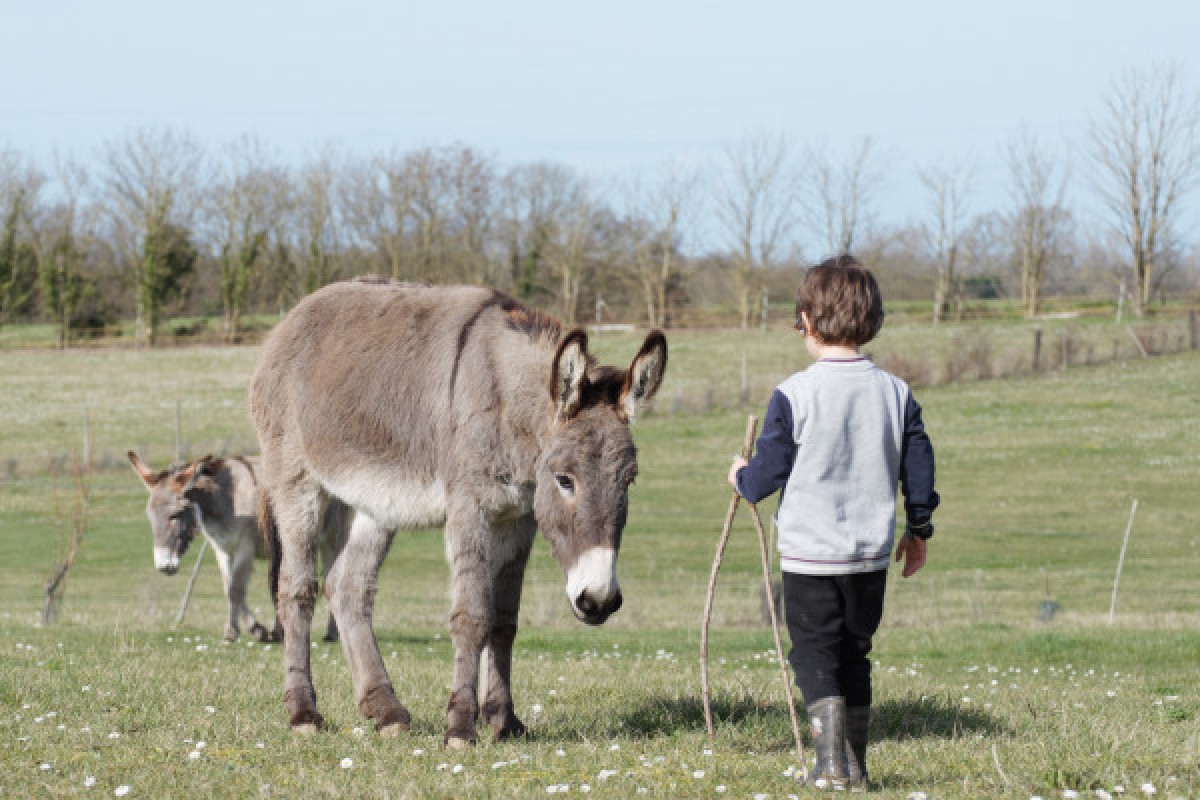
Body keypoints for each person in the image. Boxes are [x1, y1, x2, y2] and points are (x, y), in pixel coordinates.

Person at [727, 255, 939, 790]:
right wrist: (918, 530)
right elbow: (918, 467)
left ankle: (828, 766)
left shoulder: (794, 394)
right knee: (855, 655)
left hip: (809, 556)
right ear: (871, 321)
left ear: (809, 322)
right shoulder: (896, 393)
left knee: (814, 654)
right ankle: (856, 766)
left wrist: (740, 476)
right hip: (869, 556)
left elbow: (767, 475)